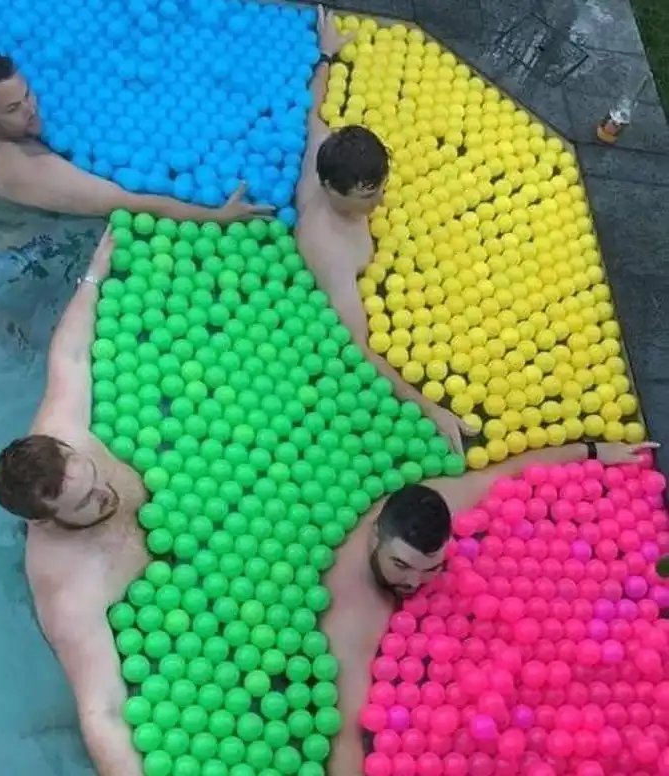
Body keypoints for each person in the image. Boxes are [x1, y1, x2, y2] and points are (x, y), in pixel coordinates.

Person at [321, 439, 657, 776]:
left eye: (431, 567)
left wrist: (593, 451)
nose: (414, 582)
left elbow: (512, 470)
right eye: (401, 565)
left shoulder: (440, 502)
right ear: (376, 536)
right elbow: (344, 735)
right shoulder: (354, 611)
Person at [0, 229, 147, 776]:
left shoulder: (64, 432)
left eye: (92, 475)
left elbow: (72, 355)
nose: (105, 492)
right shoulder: (69, 591)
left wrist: (94, 272)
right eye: (85, 502)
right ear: (46, 522)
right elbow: (101, 711)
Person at [296, 9, 473, 453]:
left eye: (380, 189)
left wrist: (326, 55)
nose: (377, 204)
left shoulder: (322, 147)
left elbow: (313, 110)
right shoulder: (329, 251)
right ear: (330, 187)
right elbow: (359, 347)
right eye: (366, 196)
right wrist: (429, 408)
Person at [0, 49, 271, 223]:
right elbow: (133, 202)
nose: (31, 109)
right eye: (13, 108)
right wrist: (216, 215)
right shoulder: (28, 171)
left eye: (28, 93)